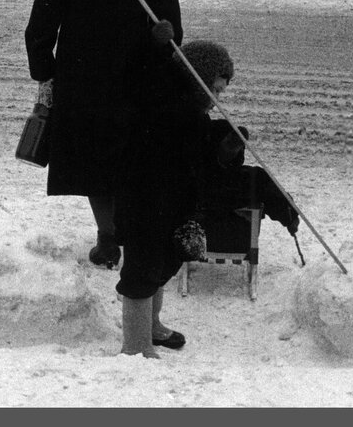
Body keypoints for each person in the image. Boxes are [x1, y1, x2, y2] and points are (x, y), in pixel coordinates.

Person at [24, 0, 183, 271]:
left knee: (94, 156)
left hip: (84, 71)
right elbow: (167, 8)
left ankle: (108, 237)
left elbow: (45, 11)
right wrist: (170, 43)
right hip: (139, 68)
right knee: (132, 152)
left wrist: (43, 65)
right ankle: (133, 230)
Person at [115, 39, 298, 358]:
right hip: (145, 205)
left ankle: (152, 327)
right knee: (141, 274)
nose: (217, 99)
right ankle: (135, 349)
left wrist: (224, 146)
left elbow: (199, 155)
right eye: (215, 89)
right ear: (195, 78)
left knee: (160, 268)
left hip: (171, 206)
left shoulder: (189, 110)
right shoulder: (160, 105)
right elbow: (177, 152)